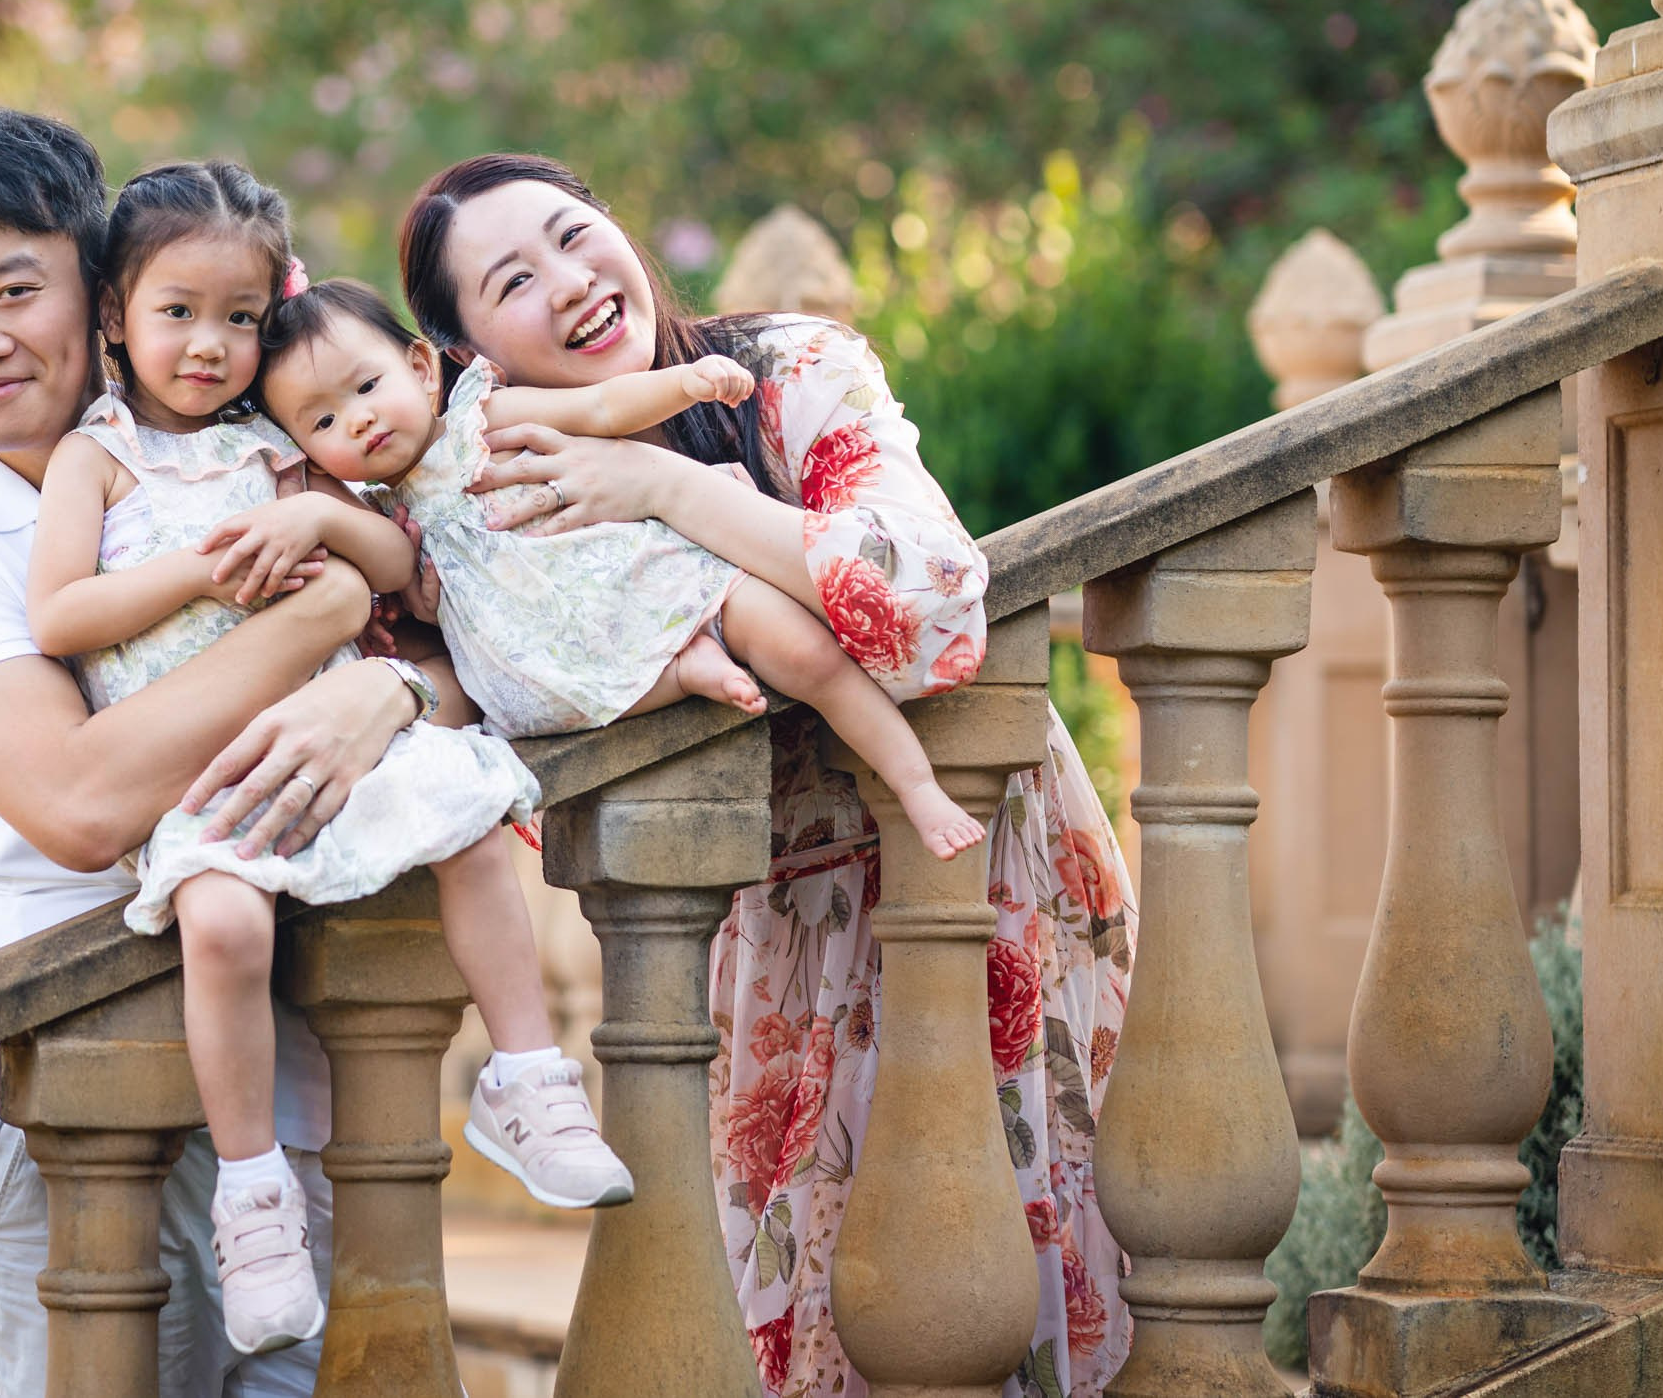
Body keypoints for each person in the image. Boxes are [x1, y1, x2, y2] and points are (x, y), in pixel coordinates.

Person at [396, 154, 1137, 1398]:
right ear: (469, 358)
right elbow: (483, 672)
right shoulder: (493, 478)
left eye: (578, 235)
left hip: (974, 873)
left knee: (1028, 1241)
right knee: (813, 1298)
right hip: (780, 921)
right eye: (514, 279)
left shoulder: (788, 367)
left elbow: (925, 598)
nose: (574, 281)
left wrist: (664, 484)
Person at [0, 108, 448, 1398]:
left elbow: (470, 663)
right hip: (77, 1099)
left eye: (16, 288)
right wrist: (324, 612)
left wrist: (386, 694)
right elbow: (80, 801)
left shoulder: (263, 449)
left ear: (101, 286)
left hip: (305, 1090)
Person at [25, 162, 631, 1351]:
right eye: (177, 312)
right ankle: (252, 1201)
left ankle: (525, 1075)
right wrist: (203, 567)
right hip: (209, 777)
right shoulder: (94, 458)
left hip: (327, 742)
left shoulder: (276, 437)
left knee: (461, 823)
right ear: (114, 315)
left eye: (239, 317)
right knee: (224, 924)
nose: (210, 344)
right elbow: (57, 618)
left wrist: (311, 513)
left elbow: (394, 567)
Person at [255, 277, 986, 862]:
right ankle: (681, 671)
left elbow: (601, 405)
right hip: (539, 651)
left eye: (364, 387)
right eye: (321, 423)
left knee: (802, 649)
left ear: (419, 366)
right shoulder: (385, 514)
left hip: (645, 575)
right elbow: (407, 598)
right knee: (533, 708)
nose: (355, 421)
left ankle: (916, 785)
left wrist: (687, 383)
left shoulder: (486, 417)